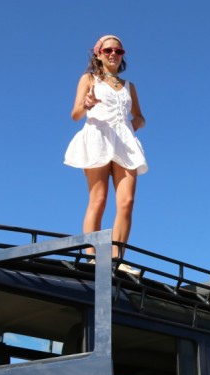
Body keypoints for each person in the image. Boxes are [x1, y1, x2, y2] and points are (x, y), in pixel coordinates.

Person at [64, 34, 147, 273]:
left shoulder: (129, 86)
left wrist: (132, 126)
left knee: (127, 202)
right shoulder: (89, 79)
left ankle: (117, 260)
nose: (113, 54)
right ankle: (92, 257)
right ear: (98, 54)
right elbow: (75, 115)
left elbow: (140, 116)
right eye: (108, 50)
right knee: (98, 199)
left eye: (118, 51)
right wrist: (87, 104)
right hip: (98, 136)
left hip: (124, 142)